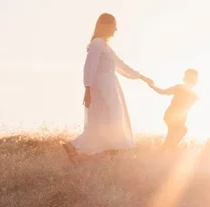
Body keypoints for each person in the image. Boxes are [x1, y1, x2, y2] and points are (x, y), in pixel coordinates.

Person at [62, 13, 152, 160]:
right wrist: (87, 88)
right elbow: (89, 66)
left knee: (111, 119)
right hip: (100, 88)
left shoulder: (105, 46)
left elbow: (121, 65)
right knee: (108, 119)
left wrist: (141, 77)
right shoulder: (97, 43)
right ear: (104, 26)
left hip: (110, 87)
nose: (115, 30)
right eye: (113, 26)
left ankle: (98, 153)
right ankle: (85, 149)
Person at [148, 69, 199, 151]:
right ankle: (168, 149)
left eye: (193, 79)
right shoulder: (179, 88)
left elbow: (187, 108)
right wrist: (152, 85)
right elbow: (162, 91)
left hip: (180, 118)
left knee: (171, 138)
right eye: (189, 79)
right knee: (183, 130)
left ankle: (162, 152)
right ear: (185, 79)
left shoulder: (195, 95)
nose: (191, 81)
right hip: (171, 115)